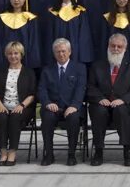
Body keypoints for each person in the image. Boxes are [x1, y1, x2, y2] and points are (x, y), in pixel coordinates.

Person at [86, 31, 130, 166]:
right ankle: (98, 151)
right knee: (99, 111)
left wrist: (123, 99)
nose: (116, 49)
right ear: (108, 46)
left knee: (121, 110)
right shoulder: (97, 65)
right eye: (113, 46)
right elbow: (90, 87)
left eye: (119, 46)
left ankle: (126, 151)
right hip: (102, 104)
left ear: (125, 48)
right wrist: (100, 98)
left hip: (126, 104)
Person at [38, 36, 85, 167]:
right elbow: (41, 89)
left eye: (64, 51)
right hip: (53, 108)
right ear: (54, 54)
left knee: (74, 119)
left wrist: (75, 106)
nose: (61, 54)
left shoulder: (79, 68)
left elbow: (81, 89)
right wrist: (47, 103)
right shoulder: (47, 70)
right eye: (58, 51)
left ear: (70, 52)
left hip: (72, 107)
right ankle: (49, 154)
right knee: (46, 118)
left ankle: (71, 154)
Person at [0, 40, 35, 165]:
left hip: (22, 107)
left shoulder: (29, 73)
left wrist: (21, 106)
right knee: (0, 117)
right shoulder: (1, 72)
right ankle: (3, 152)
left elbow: (32, 94)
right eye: (10, 54)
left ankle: (12, 152)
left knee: (15, 117)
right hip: (3, 106)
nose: (13, 56)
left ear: (21, 55)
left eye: (16, 53)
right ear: (6, 55)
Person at [0, 0, 42, 71]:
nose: (16, 0)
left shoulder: (30, 18)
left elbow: (33, 42)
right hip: (6, 60)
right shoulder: (3, 18)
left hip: (26, 60)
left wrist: (32, 60)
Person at [43, 0, 92, 64]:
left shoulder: (80, 11)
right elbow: (50, 36)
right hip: (58, 52)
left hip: (76, 51)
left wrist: (83, 55)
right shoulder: (53, 12)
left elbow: (84, 36)